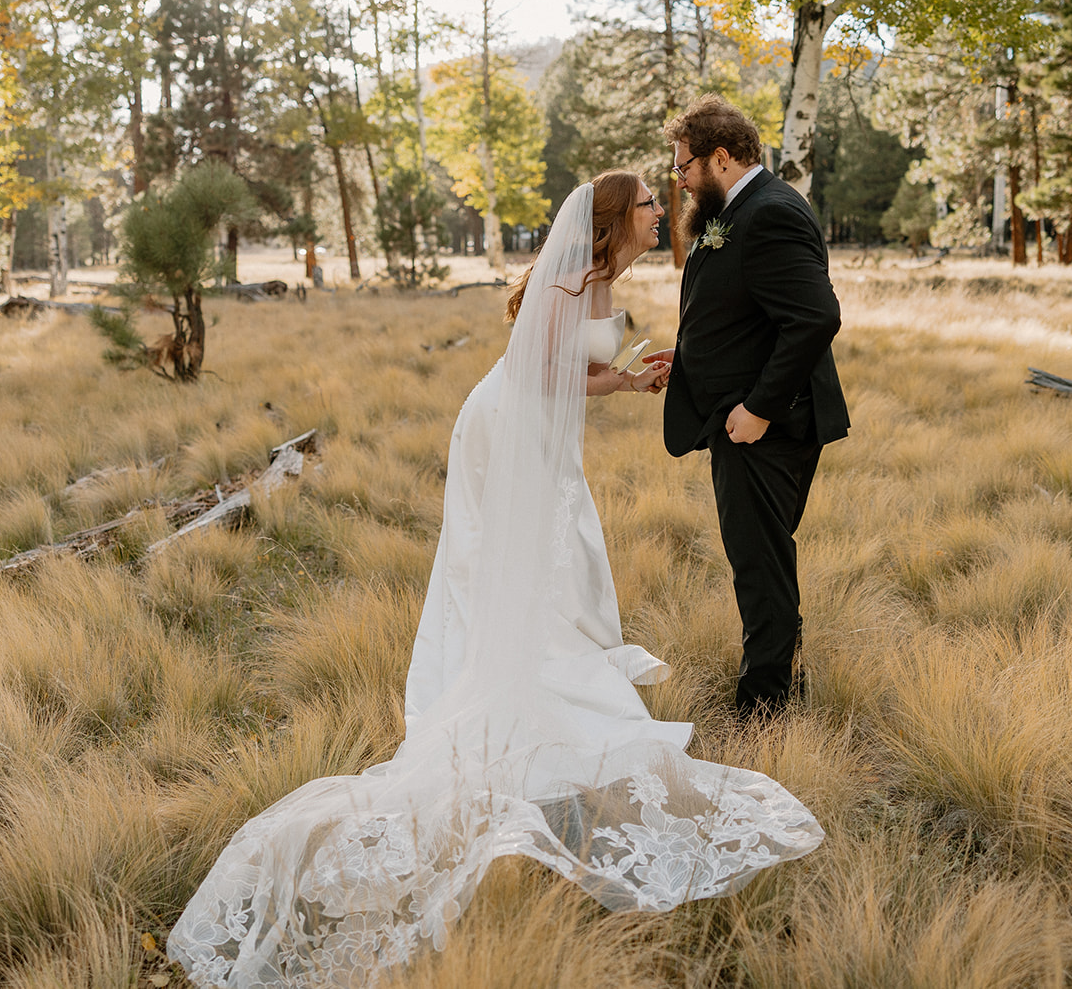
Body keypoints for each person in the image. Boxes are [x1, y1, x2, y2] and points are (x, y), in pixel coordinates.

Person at [168, 171, 825, 988]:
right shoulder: (569, 278)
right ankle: (519, 685)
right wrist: (616, 382)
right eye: (653, 205)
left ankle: (543, 667)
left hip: (538, 425)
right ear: (618, 219)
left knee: (563, 558)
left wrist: (625, 379)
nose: (665, 213)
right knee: (542, 557)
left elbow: (569, 372)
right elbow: (534, 375)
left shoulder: (601, 277)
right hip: (510, 429)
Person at [643, 95, 849, 720]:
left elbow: (816, 317)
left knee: (758, 561)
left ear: (721, 157)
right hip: (742, 416)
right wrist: (692, 359)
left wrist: (759, 407)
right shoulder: (738, 208)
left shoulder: (771, 213)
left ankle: (765, 705)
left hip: (767, 425)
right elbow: (747, 310)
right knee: (763, 555)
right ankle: (782, 679)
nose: (677, 180)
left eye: (683, 167)